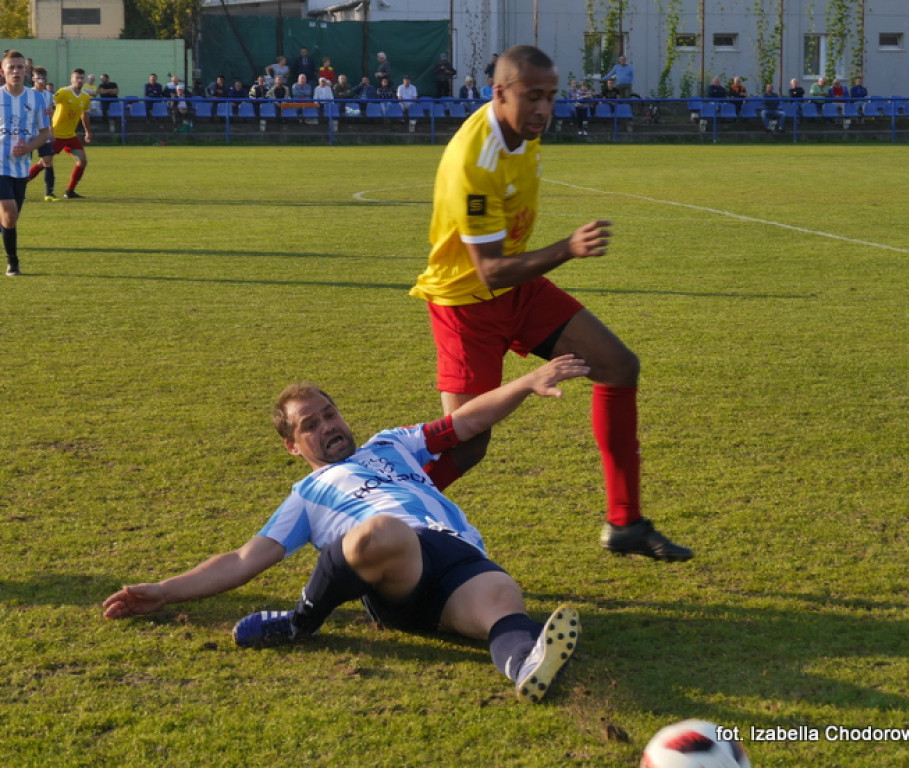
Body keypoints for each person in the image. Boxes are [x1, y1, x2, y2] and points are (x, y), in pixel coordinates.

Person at [101, 355, 587, 704]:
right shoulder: (305, 496)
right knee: (382, 531)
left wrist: (527, 382)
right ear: (293, 446)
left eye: (329, 413)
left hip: (456, 556)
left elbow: (462, 421)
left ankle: (525, 665)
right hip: (392, 567)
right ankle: (299, 623)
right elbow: (243, 559)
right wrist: (164, 591)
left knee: (503, 596)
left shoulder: (392, 444)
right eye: (309, 425)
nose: (327, 425)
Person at [408, 45, 692, 563]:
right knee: (468, 444)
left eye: (550, 97)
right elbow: (488, 270)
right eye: (532, 96)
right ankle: (373, 521)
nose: (543, 108)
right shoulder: (477, 160)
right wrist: (567, 248)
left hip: (518, 286)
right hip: (467, 302)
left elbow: (505, 269)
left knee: (617, 364)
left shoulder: (523, 132)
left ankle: (624, 522)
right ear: (500, 93)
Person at [1, 50, 51, 277]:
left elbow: (44, 132)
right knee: (10, 212)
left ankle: (9, 249)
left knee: (12, 217)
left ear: (26, 71)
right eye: (11, 67)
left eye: (20, 67)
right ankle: (13, 262)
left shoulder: (37, 98)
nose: (16, 71)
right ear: (3, 71)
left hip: (21, 167)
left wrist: (29, 148)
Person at [51, 68, 92, 200]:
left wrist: (87, 131)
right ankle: (19, 185)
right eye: (77, 78)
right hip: (56, 134)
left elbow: (84, 115)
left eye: (81, 78)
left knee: (83, 161)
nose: (79, 81)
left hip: (71, 136)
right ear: (71, 79)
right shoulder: (63, 92)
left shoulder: (85, 97)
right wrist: (48, 127)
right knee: (44, 163)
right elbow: (49, 105)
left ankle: (70, 191)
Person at [26, 66, 58, 202]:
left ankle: (49, 193)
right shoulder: (27, 94)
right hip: (28, 133)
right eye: (38, 78)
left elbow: (49, 113)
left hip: (43, 133)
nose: (41, 80)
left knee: (48, 161)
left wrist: (51, 130)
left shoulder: (48, 95)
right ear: (33, 79)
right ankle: (17, 190)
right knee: (23, 163)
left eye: (43, 78)